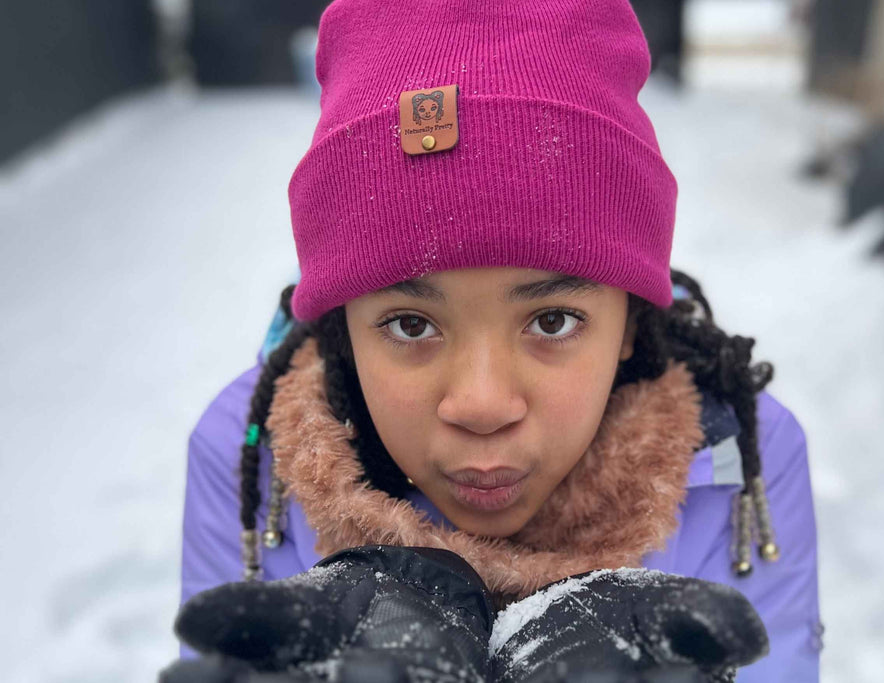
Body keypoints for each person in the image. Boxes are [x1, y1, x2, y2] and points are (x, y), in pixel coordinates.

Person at [171, 1, 822, 681]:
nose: (482, 405)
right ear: (343, 326)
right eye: (411, 324)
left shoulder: (740, 463)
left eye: (553, 321)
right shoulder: (248, 457)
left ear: (631, 321)